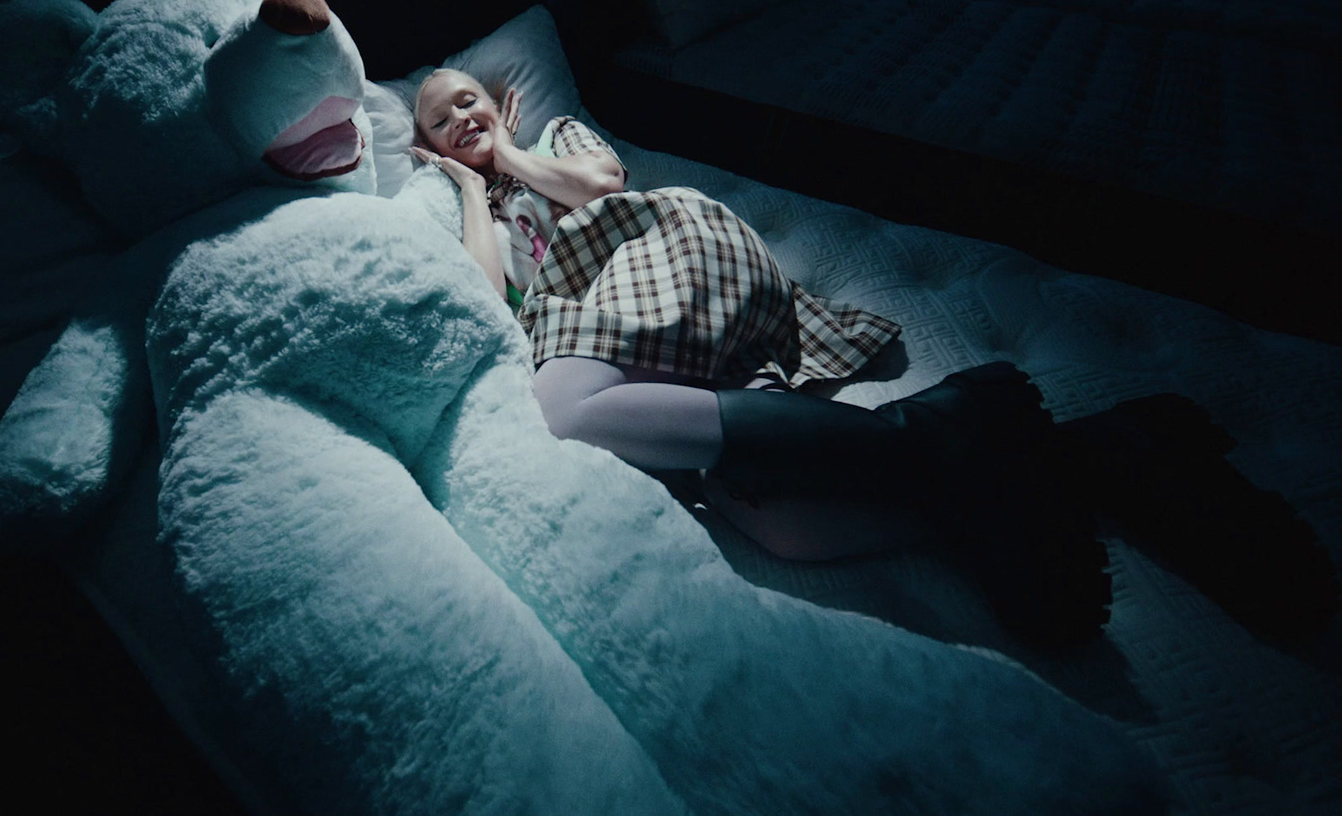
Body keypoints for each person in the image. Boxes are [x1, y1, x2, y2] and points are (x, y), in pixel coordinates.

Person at [409, 69, 1335, 645]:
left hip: (666, 260)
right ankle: (1067, 462)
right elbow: (496, 297)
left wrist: (514, 150)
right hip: (634, 346)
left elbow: (603, 184)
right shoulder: (475, 206)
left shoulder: (556, 142)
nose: (461, 117)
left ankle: (926, 433)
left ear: (502, 101)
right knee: (781, 525)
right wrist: (471, 192)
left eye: (470, 99)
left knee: (558, 408)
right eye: (441, 119)